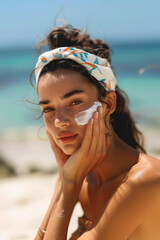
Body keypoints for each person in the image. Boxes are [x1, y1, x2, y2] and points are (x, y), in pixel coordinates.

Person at [30, 25, 160, 240]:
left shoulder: (146, 181)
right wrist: (65, 180)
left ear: (108, 103)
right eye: (48, 109)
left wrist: (69, 187)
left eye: (75, 102)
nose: (60, 121)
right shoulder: (83, 176)